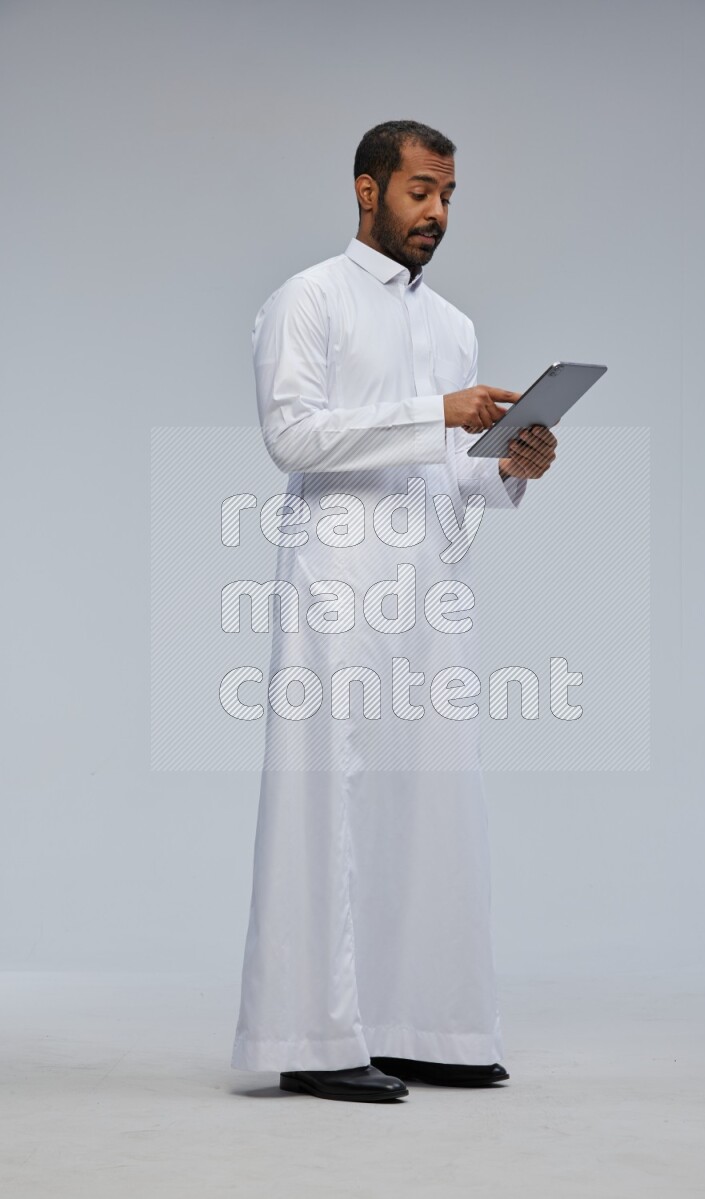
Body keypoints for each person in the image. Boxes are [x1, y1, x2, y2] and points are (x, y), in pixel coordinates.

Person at [231, 120, 557, 1102]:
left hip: (426, 589)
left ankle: (423, 1023)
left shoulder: (449, 325)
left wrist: (505, 464)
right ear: (366, 189)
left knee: (431, 797)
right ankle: (312, 1034)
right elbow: (291, 436)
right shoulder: (308, 300)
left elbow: (451, 476)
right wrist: (441, 415)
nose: (436, 213)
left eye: (447, 194)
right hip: (336, 583)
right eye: (419, 191)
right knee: (327, 796)